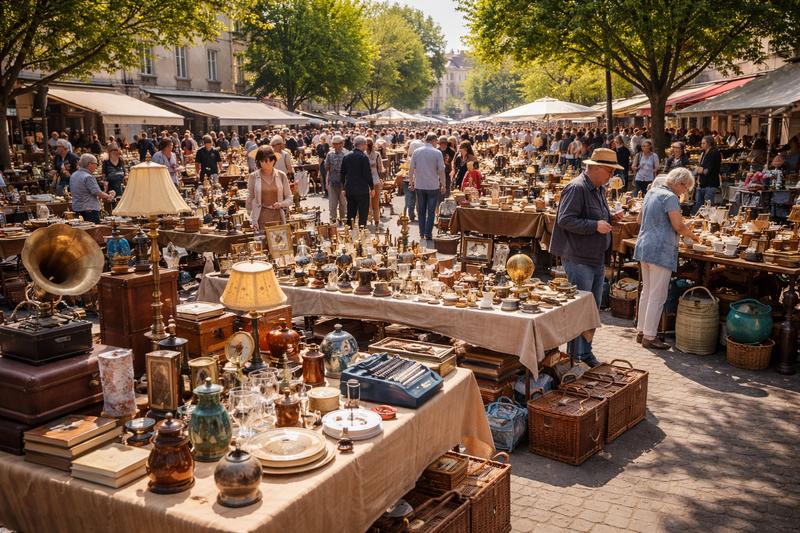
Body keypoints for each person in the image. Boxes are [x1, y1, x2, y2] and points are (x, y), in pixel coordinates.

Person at [550, 148, 624, 367]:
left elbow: (594, 217)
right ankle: (578, 357)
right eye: (609, 170)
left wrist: (610, 218)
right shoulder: (577, 188)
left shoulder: (598, 189)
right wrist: (595, 225)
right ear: (596, 168)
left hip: (594, 255)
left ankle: (583, 354)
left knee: (590, 310)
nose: (612, 175)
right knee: (580, 310)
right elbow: (565, 219)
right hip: (579, 257)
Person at [634, 168, 699, 349]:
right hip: (660, 249)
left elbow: (640, 220)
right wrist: (692, 235)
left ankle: (642, 331)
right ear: (679, 183)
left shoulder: (652, 192)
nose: (684, 193)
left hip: (645, 246)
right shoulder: (670, 197)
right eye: (685, 189)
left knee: (647, 291)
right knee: (658, 294)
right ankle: (650, 336)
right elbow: (678, 225)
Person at [409, 133, 446, 241]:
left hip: (420, 184)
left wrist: (411, 182)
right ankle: (428, 233)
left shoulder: (417, 152)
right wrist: (443, 184)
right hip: (432, 185)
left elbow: (411, 169)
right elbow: (441, 170)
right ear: (434, 141)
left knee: (421, 210)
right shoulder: (437, 152)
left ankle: (422, 233)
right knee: (431, 211)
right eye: (436, 141)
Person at [246, 145, 293, 230]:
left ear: (274, 160)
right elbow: (250, 198)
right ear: (259, 161)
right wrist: (252, 219)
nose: (268, 163)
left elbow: (289, 198)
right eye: (264, 160)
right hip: (260, 219)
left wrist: (281, 204)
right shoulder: (253, 176)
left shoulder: (281, 175)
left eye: (270, 159)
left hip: (278, 218)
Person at [69, 153, 115, 223]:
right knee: (93, 232)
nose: (96, 166)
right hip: (89, 210)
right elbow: (96, 192)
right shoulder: (88, 177)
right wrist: (108, 196)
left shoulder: (74, 175)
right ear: (89, 164)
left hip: (77, 208)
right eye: (96, 164)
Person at [341, 135, 373, 228]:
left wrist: (344, 187)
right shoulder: (363, 157)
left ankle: (349, 234)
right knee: (363, 214)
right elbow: (367, 174)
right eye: (366, 145)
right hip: (362, 189)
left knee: (351, 213)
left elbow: (342, 173)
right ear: (362, 145)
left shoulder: (346, 156)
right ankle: (362, 233)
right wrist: (371, 186)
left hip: (350, 189)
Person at [692, 135, 721, 214]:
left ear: (709, 143)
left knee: (708, 208)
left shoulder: (714, 153)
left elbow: (706, 171)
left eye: (703, 143)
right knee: (699, 206)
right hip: (701, 184)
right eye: (701, 143)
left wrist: (700, 170)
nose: (701, 145)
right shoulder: (704, 153)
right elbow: (700, 168)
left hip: (710, 184)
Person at [325, 135, 349, 224]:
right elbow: (326, 167)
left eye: (336, 144)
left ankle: (344, 222)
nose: (334, 145)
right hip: (333, 182)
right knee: (332, 204)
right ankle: (333, 222)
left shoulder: (347, 153)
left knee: (343, 204)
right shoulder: (330, 154)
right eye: (334, 144)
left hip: (344, 184)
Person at [366, 138, 385, 229]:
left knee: (365, 202)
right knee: (375, 204)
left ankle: (365, 221)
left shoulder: (362, 154)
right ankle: (376, 222)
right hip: (375, 180)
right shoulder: (377, 155)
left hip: (365, 181)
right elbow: (380, 168)